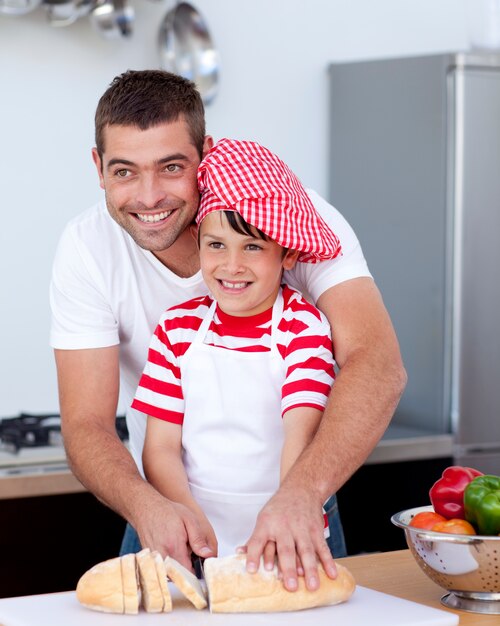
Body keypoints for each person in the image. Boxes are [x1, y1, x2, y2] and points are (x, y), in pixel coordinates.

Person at [50, 69, 406, 593]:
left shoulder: (289, 216)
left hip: (298, 507)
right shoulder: (87, 248)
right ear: (98, 167)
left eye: (171, 167)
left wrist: (300, 495)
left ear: (206, 156)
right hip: (165, 513)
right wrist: (153, 506)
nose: (149, 197)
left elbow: (377, 363)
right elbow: (86, 423)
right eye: (125, 171)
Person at [133, 138, 341, 559]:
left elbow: (301, 437)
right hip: (192, 532)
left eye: (252, 246)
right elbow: (159, 448)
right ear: (198, 243)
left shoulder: (303, 328)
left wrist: (281, 527)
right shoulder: (177, 329)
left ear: (288, 252)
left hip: (284, 532)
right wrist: (190, 522)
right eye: (216, 245)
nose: (231, 266)